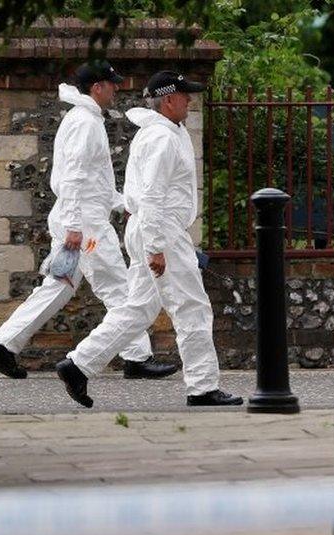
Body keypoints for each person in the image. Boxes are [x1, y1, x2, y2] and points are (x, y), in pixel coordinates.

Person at [54, 70, 243, 408]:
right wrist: (156, 246)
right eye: (185, 95)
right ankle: (202, 387)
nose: (189, 101)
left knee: (138, 308)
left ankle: (78, 364)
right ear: (168, 100)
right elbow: (153, 195)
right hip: (162, 230)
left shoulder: (165, 132)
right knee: (192, 308)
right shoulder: (162, 138)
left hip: (154, 228)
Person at [0, 60, 176, 381]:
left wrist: (121, 203)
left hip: (80, 220)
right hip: (87, 228)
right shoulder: (85, 123)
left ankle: (3, 345)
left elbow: (92, 182)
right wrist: (75, 227)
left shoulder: (84, 119)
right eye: (111, 84)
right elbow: (73, 177)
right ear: (96, 87)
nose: (115, 89)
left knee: (58, 286)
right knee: (118, 286)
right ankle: (136, 357)